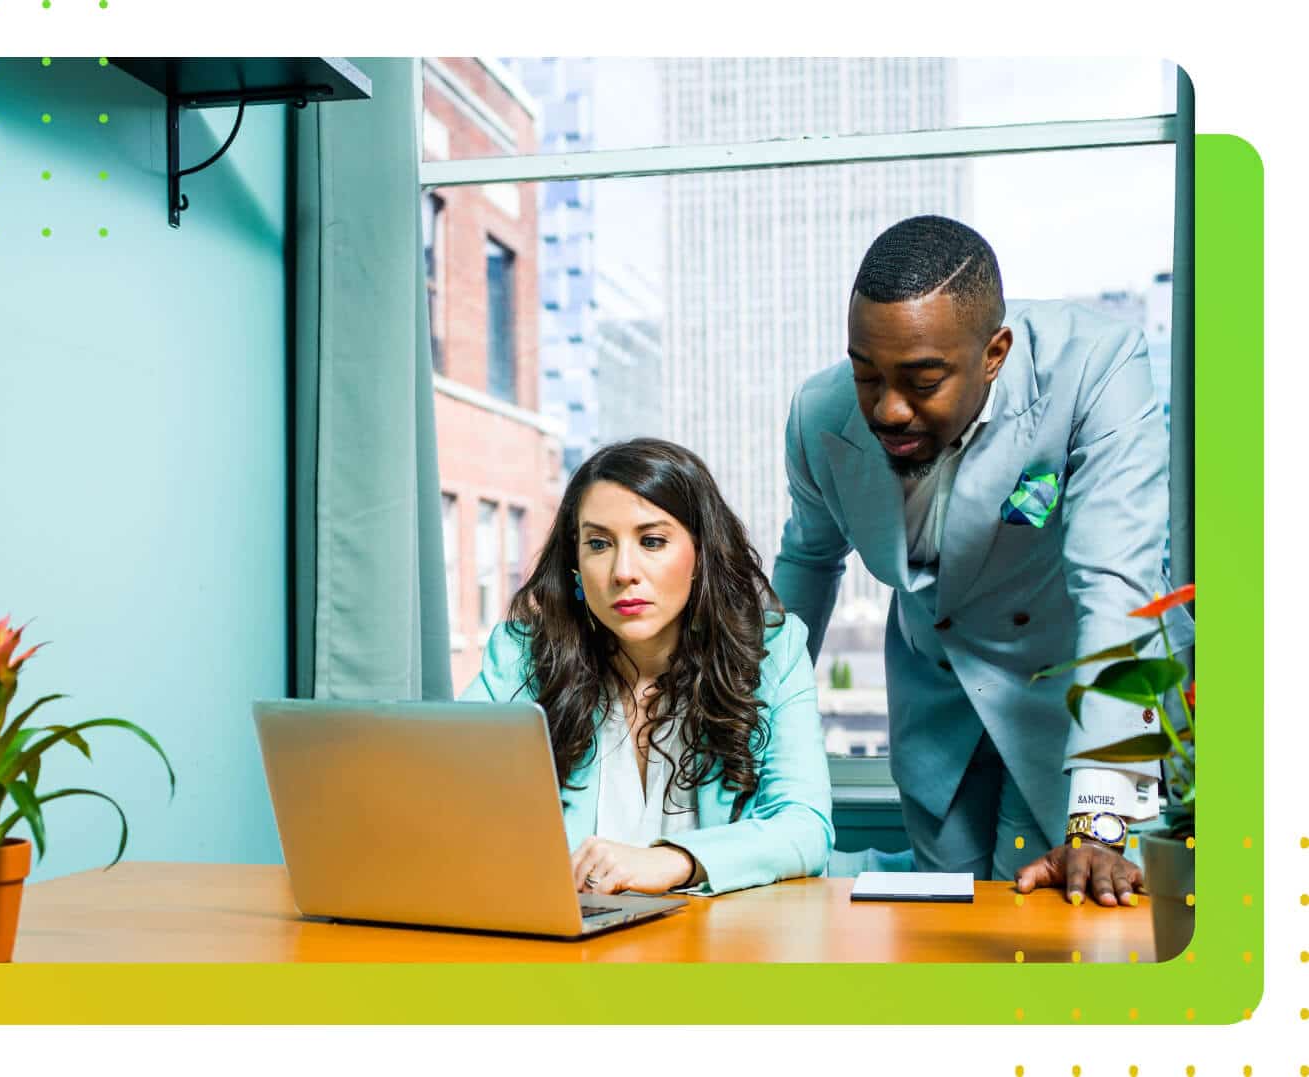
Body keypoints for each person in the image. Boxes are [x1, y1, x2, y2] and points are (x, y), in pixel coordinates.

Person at [771, 215, 1191, 905]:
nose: (888, 408)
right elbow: (808, 564)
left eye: (921, 380)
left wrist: (1097, 819)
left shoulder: (1094, 365)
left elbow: (1117, 586)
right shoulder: (818, 415)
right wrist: (742, 724)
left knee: (1077, 941)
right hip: (939, 711)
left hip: (1082, 705)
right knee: (951, 943)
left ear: (994, 353)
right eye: (864, 373)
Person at [462, 438, 835, 896]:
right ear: (575, 565)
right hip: (567, 950)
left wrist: (675, 860)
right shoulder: (522, 658)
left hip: (721, 947)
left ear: (701, 554)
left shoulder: (774, 651)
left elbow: (805, 826)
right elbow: (446, 796)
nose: (623, 571)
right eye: (598, 543)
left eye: (652, 541)